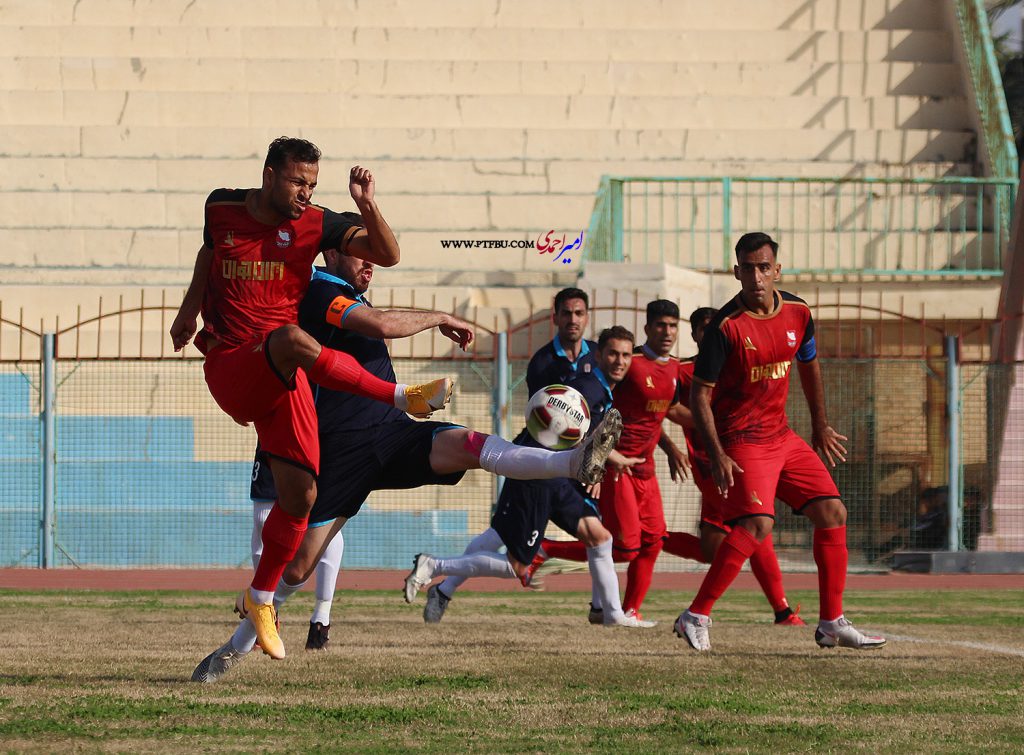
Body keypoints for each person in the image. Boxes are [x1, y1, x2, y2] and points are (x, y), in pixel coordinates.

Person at [190, 250, 624, 682]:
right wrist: (439, 316)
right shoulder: (321, 288)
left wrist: (367, 199)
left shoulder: (347, 289)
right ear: (332, 253)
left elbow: (383, 266)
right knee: (298, 570)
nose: (369, 263)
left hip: (392, 430)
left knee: (471, 446)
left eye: (372, 257)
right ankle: (232, 649)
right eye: (358, 254)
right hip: (339, 452)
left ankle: (572, 461)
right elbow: (380, 326)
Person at [170, 136, 456, 660]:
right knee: (296, 340)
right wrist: (190, 312)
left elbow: (388, 255)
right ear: (269, 176)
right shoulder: (221, 206)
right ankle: (399, 397)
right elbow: (210, 253)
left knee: (302, 498)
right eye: (299, 182)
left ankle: (261, 600)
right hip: (235, 361)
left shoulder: (318, 221)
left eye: (313, 185)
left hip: (284, 377)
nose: (306, 193)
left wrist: (367, 203)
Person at [674, 232, 885, 651]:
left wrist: (820, 425)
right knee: (757, 524)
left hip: (782, 435)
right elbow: (699, 395)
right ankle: (695, 615)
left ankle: (830, 623)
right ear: (737, 272)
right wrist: (717, 454)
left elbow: (809, 364)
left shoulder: (798, 312)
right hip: (741, 438)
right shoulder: (724, 327)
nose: (756, 276)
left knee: (831, 511)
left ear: (777, 270)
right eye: (748, 268)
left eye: (764, 267)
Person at [404, 326, 654, 630]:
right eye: (613, 353)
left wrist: (599, 459)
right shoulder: (587, 390)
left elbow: (579, 435)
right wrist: (604, 459)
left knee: (600, 537)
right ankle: (435, 568)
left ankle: (609, 613)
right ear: (598, 354)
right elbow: (571, 431)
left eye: (626, 355)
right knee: (516, 564)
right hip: (539, 474)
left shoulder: (600, 390)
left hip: (558, 474)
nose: (620, 361)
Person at [530, 300, 690, 622]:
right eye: (661, 325)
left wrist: (671, 448)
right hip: (617, 469)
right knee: (623, 548)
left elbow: (656, 414)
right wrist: (598, 459)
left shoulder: (674, 368)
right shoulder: (630, 369)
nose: (667, 332)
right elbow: (599, 414)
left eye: (673, 325)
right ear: (647, 329)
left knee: (654, 542)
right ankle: (547, 550)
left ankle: (626, 610)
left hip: (644, 468)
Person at [661, 307, 805, 626]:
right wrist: (699, 429)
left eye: (716, 327)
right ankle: (782, 611)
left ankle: (647, 539)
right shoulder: (683, 371)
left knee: (715, 548)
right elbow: (663, 407)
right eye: (704, 329)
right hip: (711, 465)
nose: (712, 333)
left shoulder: (739, 365)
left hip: (747, 458)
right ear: (697, 335)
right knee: (758, 527)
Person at [525, 287, 597, 396]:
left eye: (579, 313)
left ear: (587, 319)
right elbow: (537, 409)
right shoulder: (541, 362)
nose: (573, 320)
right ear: (555, 318)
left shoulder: (599, 355)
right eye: (566, 313)